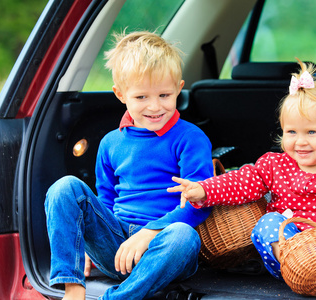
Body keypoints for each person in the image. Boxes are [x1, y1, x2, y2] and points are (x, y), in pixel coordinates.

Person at [168, 60, 316, 300]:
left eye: (311, 132)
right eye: (291, 132)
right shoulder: (274, 164)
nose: (300, 141)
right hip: (289, 251)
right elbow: (241, 182)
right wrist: (203, 189)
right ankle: (300, 266)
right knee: (268, 222)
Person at [44, 31, 213, 300]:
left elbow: (200, 203)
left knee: (184, 236)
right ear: (120, 94)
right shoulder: (111, 143)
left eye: (165, 95)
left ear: (179, 88)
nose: (155, 106)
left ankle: (121, 297)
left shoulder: (190, 139)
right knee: (64, 188)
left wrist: (150, 232)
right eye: (141, 98)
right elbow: (106, 201)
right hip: (116, 246)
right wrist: (89, 247)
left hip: (163, 248)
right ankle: (73, 289)